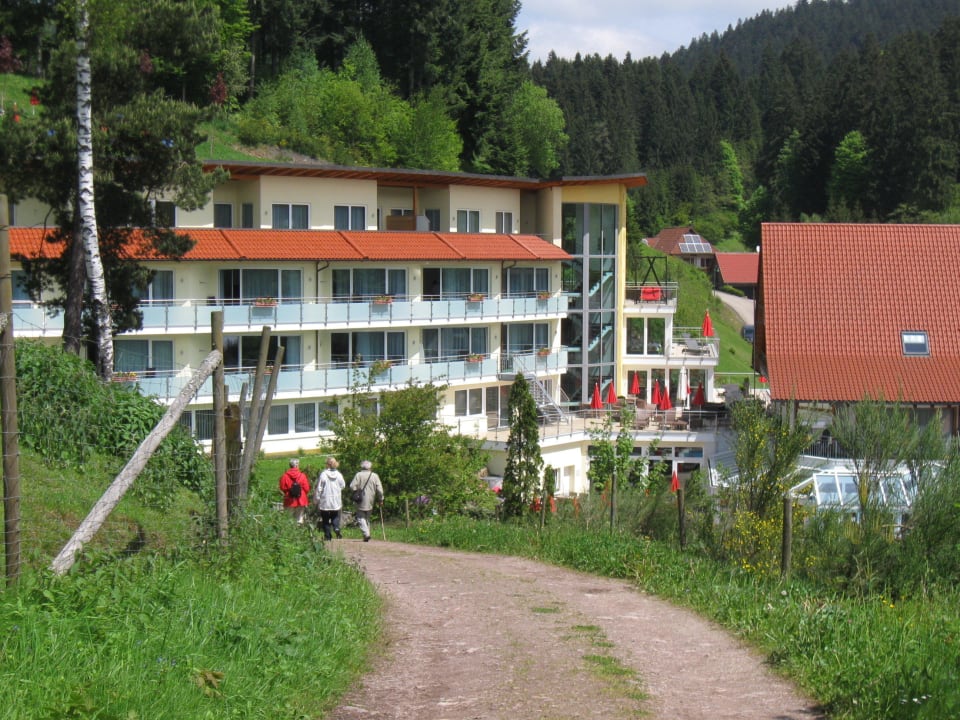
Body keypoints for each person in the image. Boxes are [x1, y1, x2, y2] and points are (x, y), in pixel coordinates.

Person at [349, 460, 384, 542]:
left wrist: (356, 490)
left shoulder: (358, 475)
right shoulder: (375, 476)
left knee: (361, 517)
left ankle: (366, 534)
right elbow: (380, 489)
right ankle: (366, 535)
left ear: (362, 467)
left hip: (360, 499)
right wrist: (381, 498)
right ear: (370, 467)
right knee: (367, 517)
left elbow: (352, 486)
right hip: (371, 499)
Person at [315, 456, 345, 540]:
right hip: (336, 499)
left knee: (325, 518)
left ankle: (328, 536)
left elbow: (319, 487)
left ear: (327, 464)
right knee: (335, 516)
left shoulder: (323, 474)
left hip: (325, 499)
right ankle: (336, 527)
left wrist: (317, 498)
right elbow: (343, 485)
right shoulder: (339, 474)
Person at [279, 458, 310, 524]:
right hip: (301, 499)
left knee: (288, 520)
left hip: (289, 499)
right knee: (299, 519)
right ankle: (299, 532)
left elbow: (282, 487)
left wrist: (288, 492)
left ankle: (290, 533)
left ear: (290, 465)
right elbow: (307, 488)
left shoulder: (285, 476)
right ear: (297, 465)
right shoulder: (302, 475)